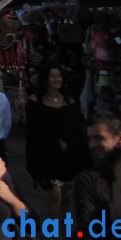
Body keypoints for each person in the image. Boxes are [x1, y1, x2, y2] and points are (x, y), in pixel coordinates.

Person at [26, 64, 92, 218]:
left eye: (59, 76)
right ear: (45, 78)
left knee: (66, 197)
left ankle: (64, 235)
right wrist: (53, 143)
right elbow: (34, 133)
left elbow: (77, 130)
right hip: (47, 157)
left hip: (68, 158)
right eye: (52, 76)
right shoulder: (35, 101)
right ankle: (54, 238)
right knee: (55, 196)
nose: (56, 79)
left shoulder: (69, 101)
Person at [73, 112, 121, 233]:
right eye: (90, 139)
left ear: (120, 139)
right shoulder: (87, 180)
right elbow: (90, 229)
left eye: (99, 138)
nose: (92, 145)